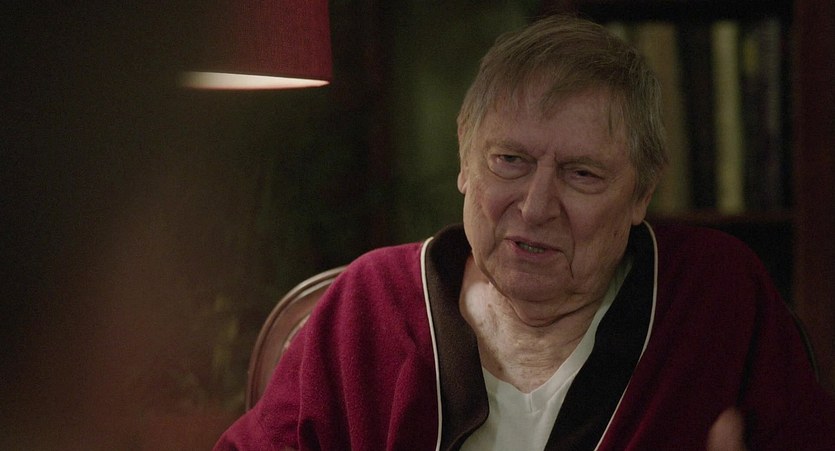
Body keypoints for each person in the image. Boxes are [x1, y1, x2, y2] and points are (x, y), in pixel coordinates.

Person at [215, 15, 835, 450]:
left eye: (582, 174)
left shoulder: (714, 294)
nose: (536, 207)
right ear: (465, 160)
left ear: (641, 193)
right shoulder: (368, 304)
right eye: (509, 160)